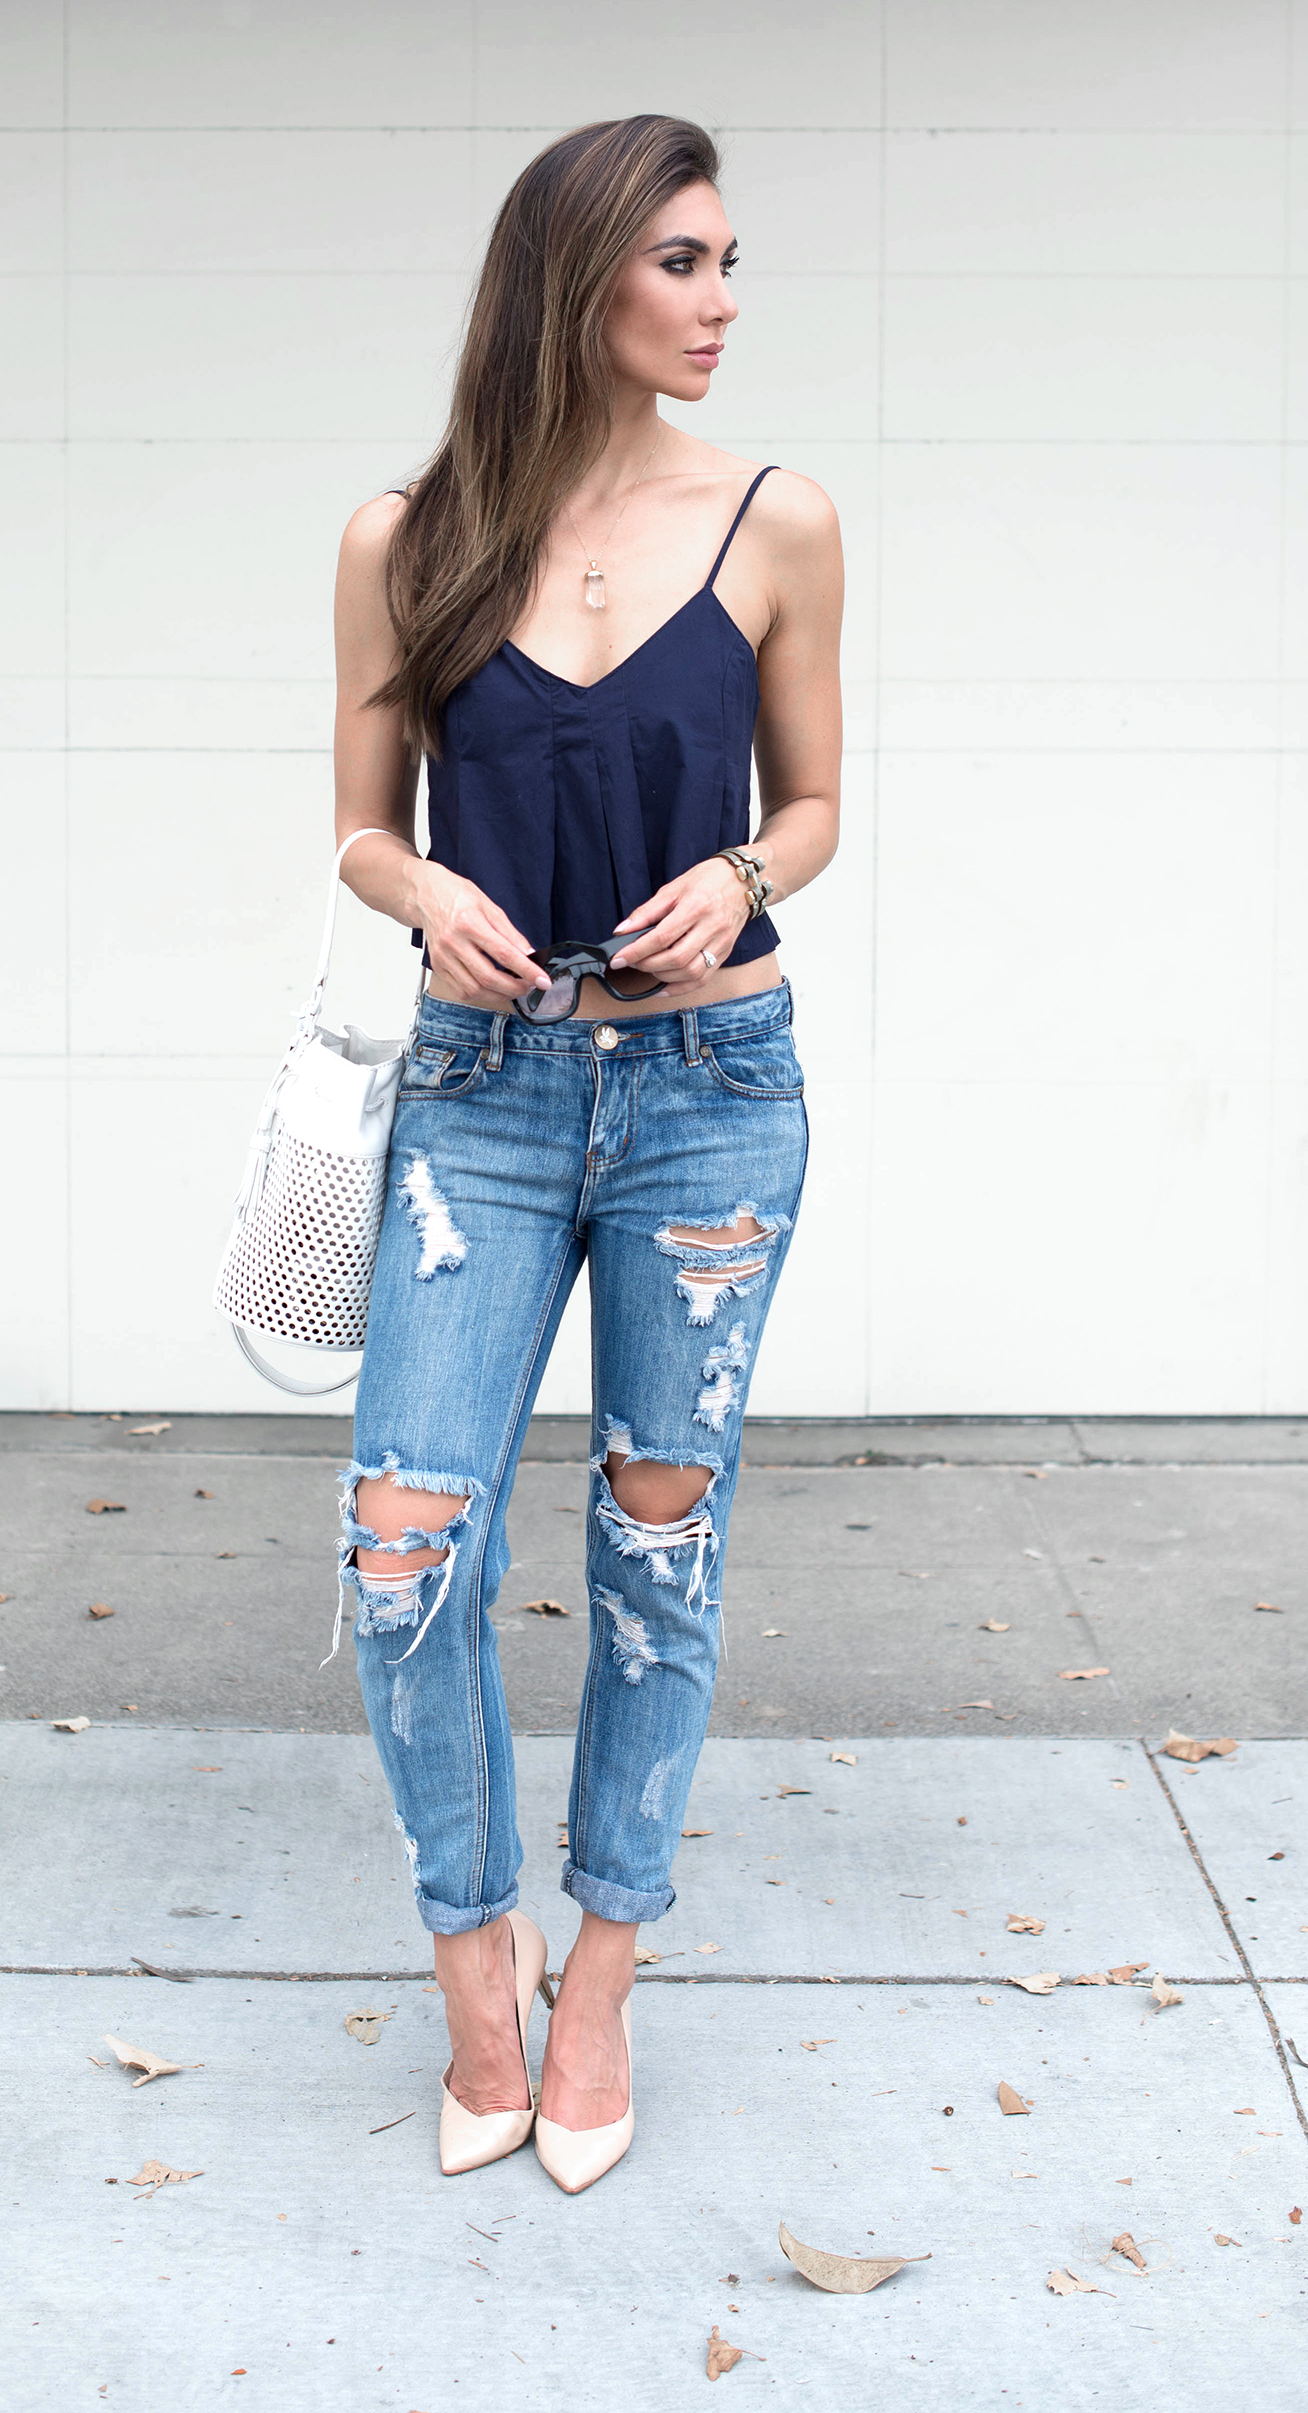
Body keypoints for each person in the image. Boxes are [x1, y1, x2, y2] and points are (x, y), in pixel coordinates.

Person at [329, 113, 843, 2190]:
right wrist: (410, 892)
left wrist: (738, 870)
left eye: (728, 264)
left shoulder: (778, 520)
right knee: (398, 1555)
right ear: (578, 280)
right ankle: (480, 1964)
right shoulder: (405, 533)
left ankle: (603, 1974)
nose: (721, 304)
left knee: (655, 1555)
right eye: (684, 265)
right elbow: (361, 817)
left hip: (707, 1098)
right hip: (483, 1098)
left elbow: (814, 807)